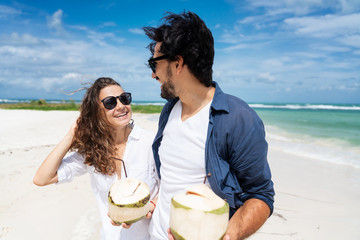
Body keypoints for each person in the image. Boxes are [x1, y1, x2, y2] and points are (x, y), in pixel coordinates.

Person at [143, 11, 275, 240]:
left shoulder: (238, 119)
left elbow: (261, 195)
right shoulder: (169, 110)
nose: (153, 75)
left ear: (178, 63)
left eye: (154, 64)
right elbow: (172, 179)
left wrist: (230, 235)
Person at [33, 77, 158, 240]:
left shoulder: (151, 142)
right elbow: (42, 178)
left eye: (124, 98)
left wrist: (151, 206)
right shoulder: (92, 151)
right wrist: (71, 135)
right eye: (110, 102)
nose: (121, 106)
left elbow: (170, 185)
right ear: (97, 112)